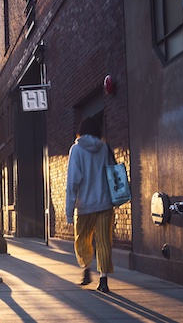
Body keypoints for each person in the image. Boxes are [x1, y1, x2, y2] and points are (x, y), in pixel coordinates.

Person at [65, 116, 115, 293]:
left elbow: (72, 181)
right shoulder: (105, 148)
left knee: (82, 240)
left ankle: (86, 269)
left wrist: (69, 210)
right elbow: (113, 174)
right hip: (105, 203)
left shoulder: (76, 150)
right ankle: (103, 279)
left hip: (84, 205)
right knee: (104, 242)